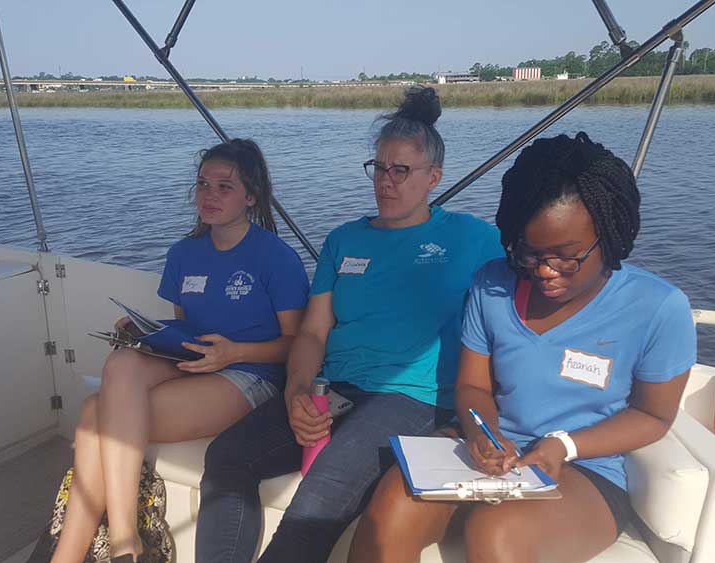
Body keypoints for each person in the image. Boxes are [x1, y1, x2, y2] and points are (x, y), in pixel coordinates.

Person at [349, 132, 697, 563]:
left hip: (584, 468)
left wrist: (562, 445)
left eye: (566, 256)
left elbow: (653, 415)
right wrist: (483, 433)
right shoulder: (492, 285)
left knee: (498, 534)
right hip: (493, 453)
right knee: (389, 509)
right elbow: (474, 389)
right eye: (530, 255)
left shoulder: (658, 307)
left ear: (608, 234)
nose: (546, 271)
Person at [196, 86, 503, 563]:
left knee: (319, 495)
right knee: (225, 459)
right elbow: (313, 332)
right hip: (333, 388)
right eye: (379, 168)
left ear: (433, 178)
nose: (386, 181)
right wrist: (298, 391)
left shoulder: (476, 238)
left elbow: (524, 312)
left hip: (414, 399)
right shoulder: (344, 241)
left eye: (401, 170)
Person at [50, 139, 309, 563]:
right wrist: (146, 330)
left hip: (251, 373)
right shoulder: (184, 254)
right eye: (203, 184)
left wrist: (234, 353)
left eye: (225, 187)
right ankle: (120, 540)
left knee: (96, 415)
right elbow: (188, 325)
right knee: (123, 360)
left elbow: (296, 344)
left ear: (251, 196)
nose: (210, 195)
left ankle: (89, 549)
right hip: (194, 362)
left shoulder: (275, 257)